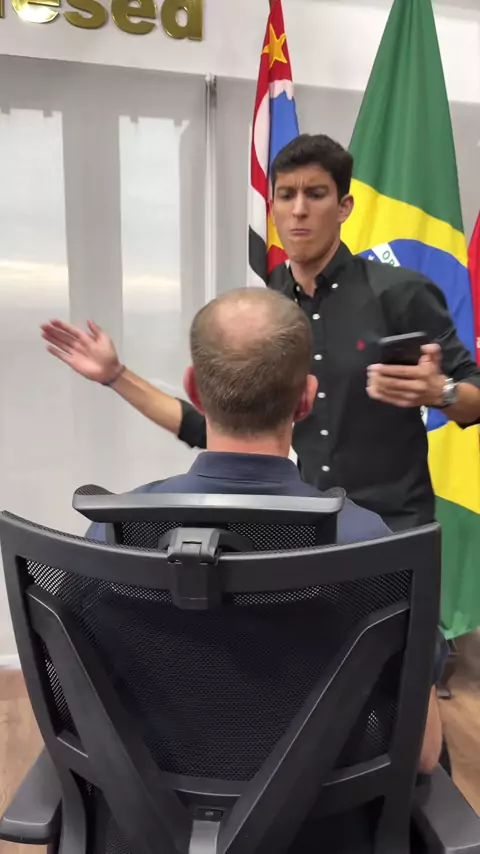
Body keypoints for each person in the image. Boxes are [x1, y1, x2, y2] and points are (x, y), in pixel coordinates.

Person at [80, 286, 443, 778]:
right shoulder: (371, 546)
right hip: (325, 816)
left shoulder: (116, 532)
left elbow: (83, 711)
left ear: (193, 389)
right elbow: (422, 754)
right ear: (306, 399)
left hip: (147, 814)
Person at [41, 134, 480, 533]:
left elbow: (474, 396)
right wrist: (115, 375)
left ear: (344, 206)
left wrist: (441, 392)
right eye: (286, 195)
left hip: (395, 531)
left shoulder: (401, 293)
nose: (299, 210)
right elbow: (211, 426)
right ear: (273, 207)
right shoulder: (268, 306)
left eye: (316, 194)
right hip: (307, 527)